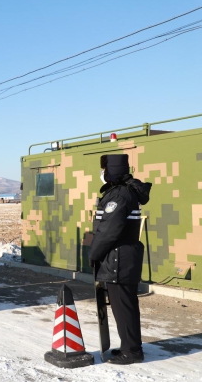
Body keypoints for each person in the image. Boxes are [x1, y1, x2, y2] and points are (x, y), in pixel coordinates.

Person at [88, 154, 152, 365]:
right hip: (123, 257)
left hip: (119, 259)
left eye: (104, 169)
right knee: (125, 305)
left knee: (123, 306)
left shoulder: (119, 196)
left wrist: (93, 254)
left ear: (111, 171)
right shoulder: (124, 192)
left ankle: (132, 352)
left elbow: (108, 231)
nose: (102, 173)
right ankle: (130, 346)